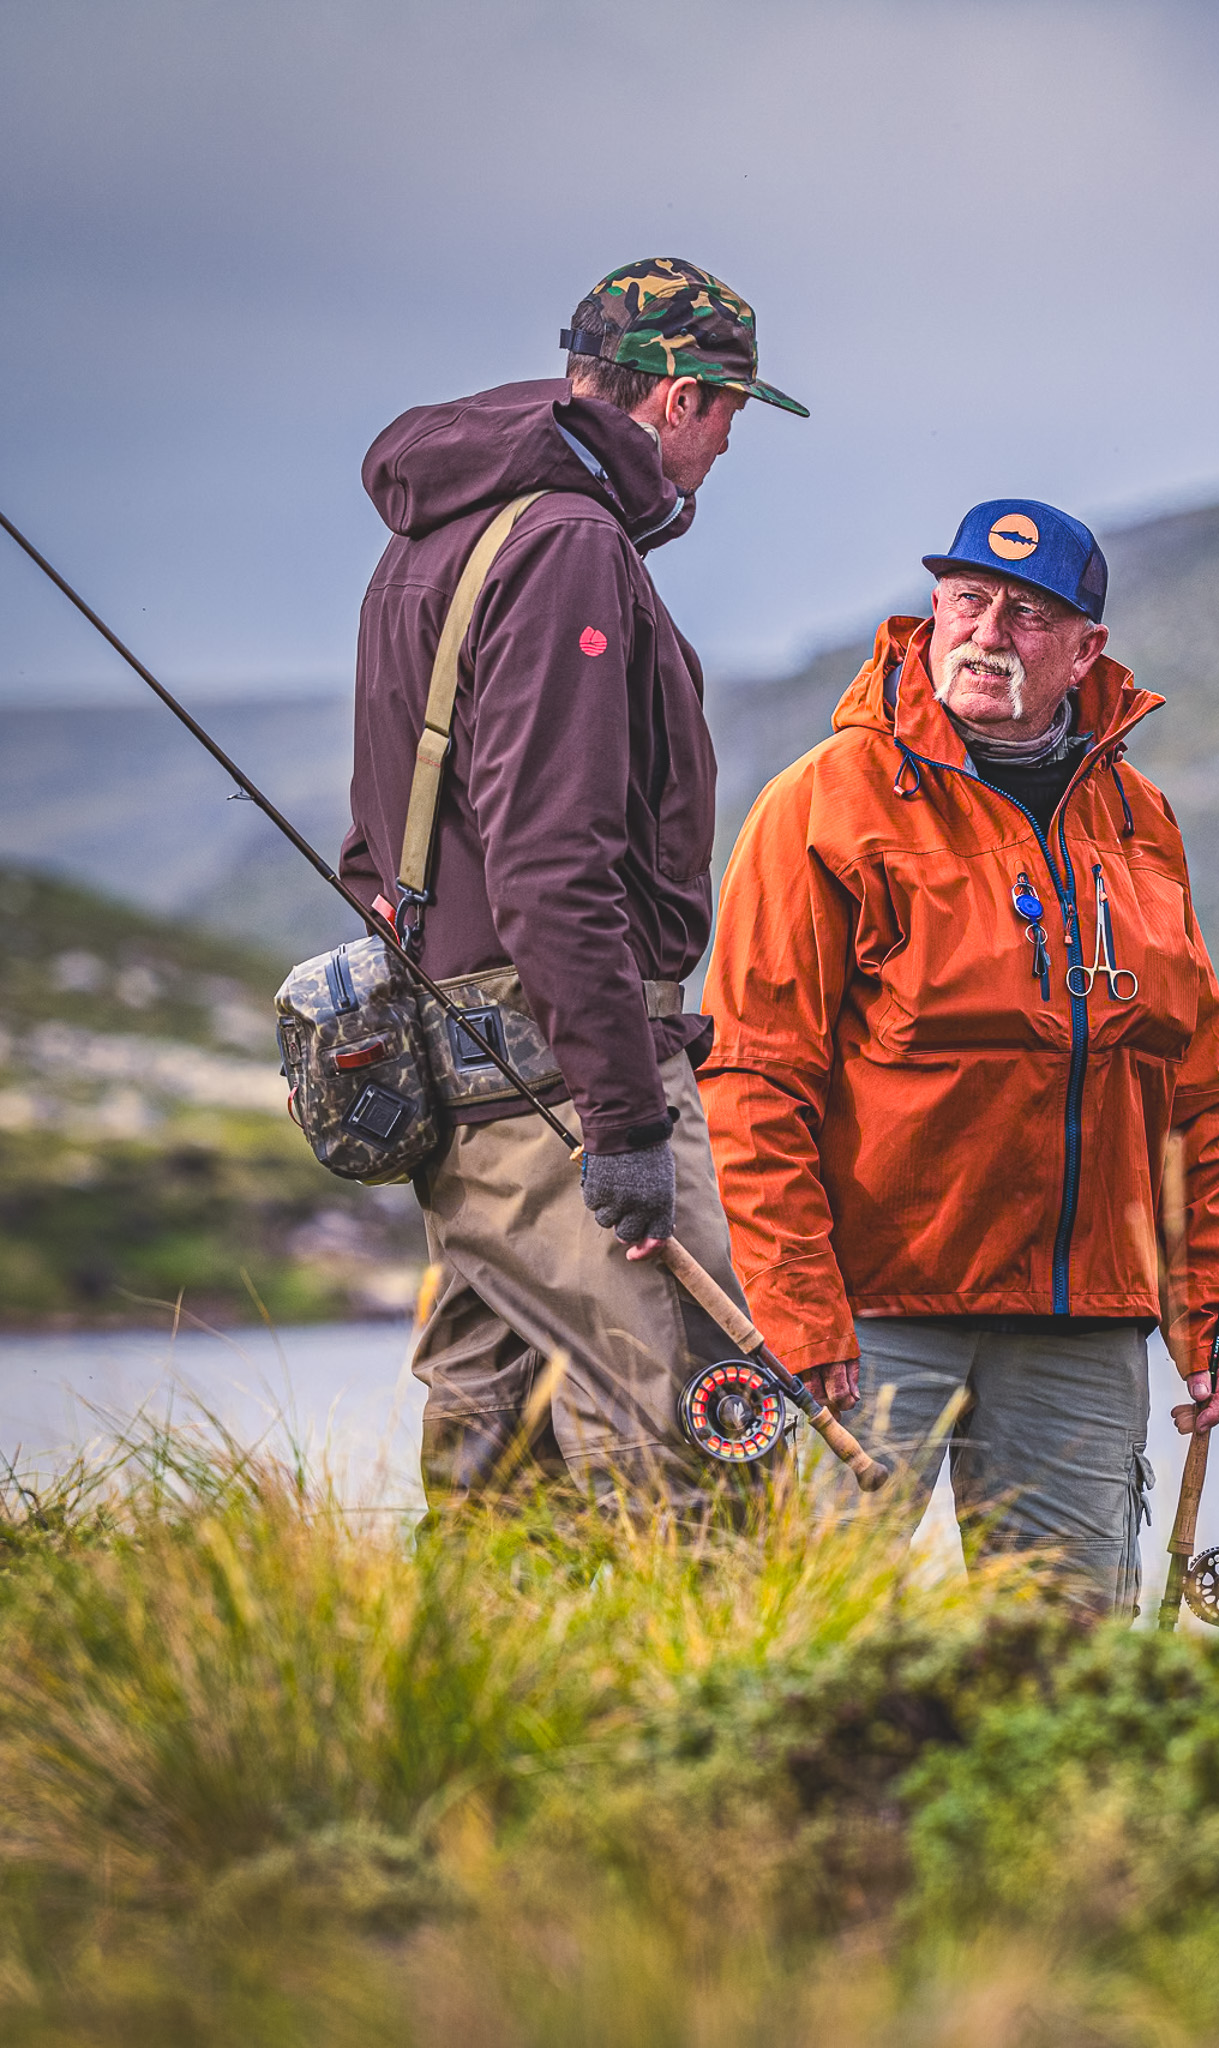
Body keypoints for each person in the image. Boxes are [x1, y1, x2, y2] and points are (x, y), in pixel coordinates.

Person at [699, 499, 1219, 1612]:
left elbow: (1191, 1092)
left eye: (1028, 613)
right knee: (804, 1629)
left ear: (1085, 648)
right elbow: (756, 1076)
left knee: (1063, 1659)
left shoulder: (1140, 821)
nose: (987, 632)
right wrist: (801, 1314)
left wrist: (1211, 1307)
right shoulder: (822, 801)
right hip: (871, 1317)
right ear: (932, 611)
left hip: (1083, 1322)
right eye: (966, 599)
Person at [339, 258, 808, 1505]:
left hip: (468, 1094)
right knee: (698, 1440)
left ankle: (475, 1700)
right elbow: (553, 858)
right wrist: (625, 1116)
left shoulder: (438, 535)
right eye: (731, 413)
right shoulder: (571, 544)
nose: (725, 445)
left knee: (500, 1460)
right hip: (564, 1081)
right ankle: (694, 1703)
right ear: (676, 400)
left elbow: (370, 848)